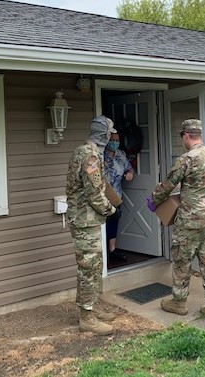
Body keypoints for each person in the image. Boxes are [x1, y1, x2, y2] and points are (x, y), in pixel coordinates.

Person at [146, 119, 205, 322]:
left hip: (191, 217)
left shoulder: (187, 159)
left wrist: (154, 201)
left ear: (186, 136)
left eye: (182, 136)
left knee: (182, 258)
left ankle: (179, 303)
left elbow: (167, 185)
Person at [66, 115, 118, 335]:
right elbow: (94, 193)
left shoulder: (81, 151)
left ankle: (93, 307)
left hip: (85, 219)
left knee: (94, 265)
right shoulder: (91, 156)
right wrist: (111, 210)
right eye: (110, 132)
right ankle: (87, 317)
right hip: (85, 220)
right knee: (89, 268)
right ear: (103, 134)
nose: (112, 136)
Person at [104, 130, 135, 262]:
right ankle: (102, 252)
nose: (115, 143)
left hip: (116, 196)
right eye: (112, 140)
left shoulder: (121, 155)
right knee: (102, 223)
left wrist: (130, 174)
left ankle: (112, 251)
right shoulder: (100, 155)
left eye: (117, 141)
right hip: (101, 195)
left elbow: (130, 168)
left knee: (113, 222)